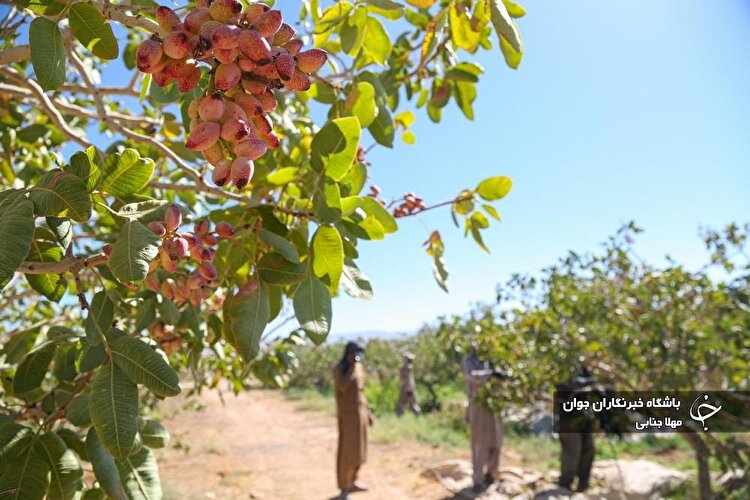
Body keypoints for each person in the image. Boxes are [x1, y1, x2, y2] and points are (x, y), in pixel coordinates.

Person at [332, 341, 373, 499]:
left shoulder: (359, 367)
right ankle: (344, 487)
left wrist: (368, 413)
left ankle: (354, 481)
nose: (357, 357)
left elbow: (361, 392)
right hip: (347, 416)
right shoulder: (339, 369)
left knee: (359, 451)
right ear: (348, 353)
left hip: (359, 414)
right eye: (354, 353)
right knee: (347, 452)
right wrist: (350, 368)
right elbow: (342, 386)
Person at [462, 345, 505, 492]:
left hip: (494, 405)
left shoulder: (491, 359)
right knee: (480, 443)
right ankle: (478, 481)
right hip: (478, 405)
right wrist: (490, 374)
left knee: (496, 441)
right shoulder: (469, 360)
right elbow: (472, 376)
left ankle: (491, 475)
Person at [555, 364, 596, 492]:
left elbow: (591, 383)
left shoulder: (583, 368)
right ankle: (565, 484)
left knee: (588, 449)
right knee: (572, 450)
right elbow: (570, 384)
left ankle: (583, 484)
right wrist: (589, 383)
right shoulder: (562, 364)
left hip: (584, 415)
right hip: (568, 416)